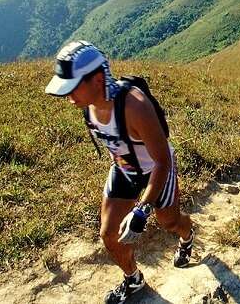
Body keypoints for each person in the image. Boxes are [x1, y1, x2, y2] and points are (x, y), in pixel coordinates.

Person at [45, 41, 194, 304]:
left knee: (167, 221)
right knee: (108, 233)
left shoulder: (134, 106)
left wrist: (141, 209)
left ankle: (187, 234)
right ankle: (133, 279)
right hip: (124, 169)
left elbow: (162, 161)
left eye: (72, 88)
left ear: (98, 79)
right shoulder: (88, 105)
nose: (69, 98)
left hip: (156, 169)